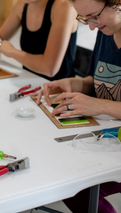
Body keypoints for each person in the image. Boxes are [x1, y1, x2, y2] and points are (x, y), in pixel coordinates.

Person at [35, 0, 121, 211]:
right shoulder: (106, 31)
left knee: (76, 186)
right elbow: (97, 81)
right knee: (62, 177)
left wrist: (99, 106)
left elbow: (100, 101)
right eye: (85, 19)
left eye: (94, 16)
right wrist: (74, 83)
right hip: (109, 139)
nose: (91, 26)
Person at [0, 0, 78, 81]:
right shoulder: (22, 4)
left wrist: (12, 52)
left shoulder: (64, 6)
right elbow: (0, 37)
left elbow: (49, 68)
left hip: (58, 90)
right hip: (29, 80)